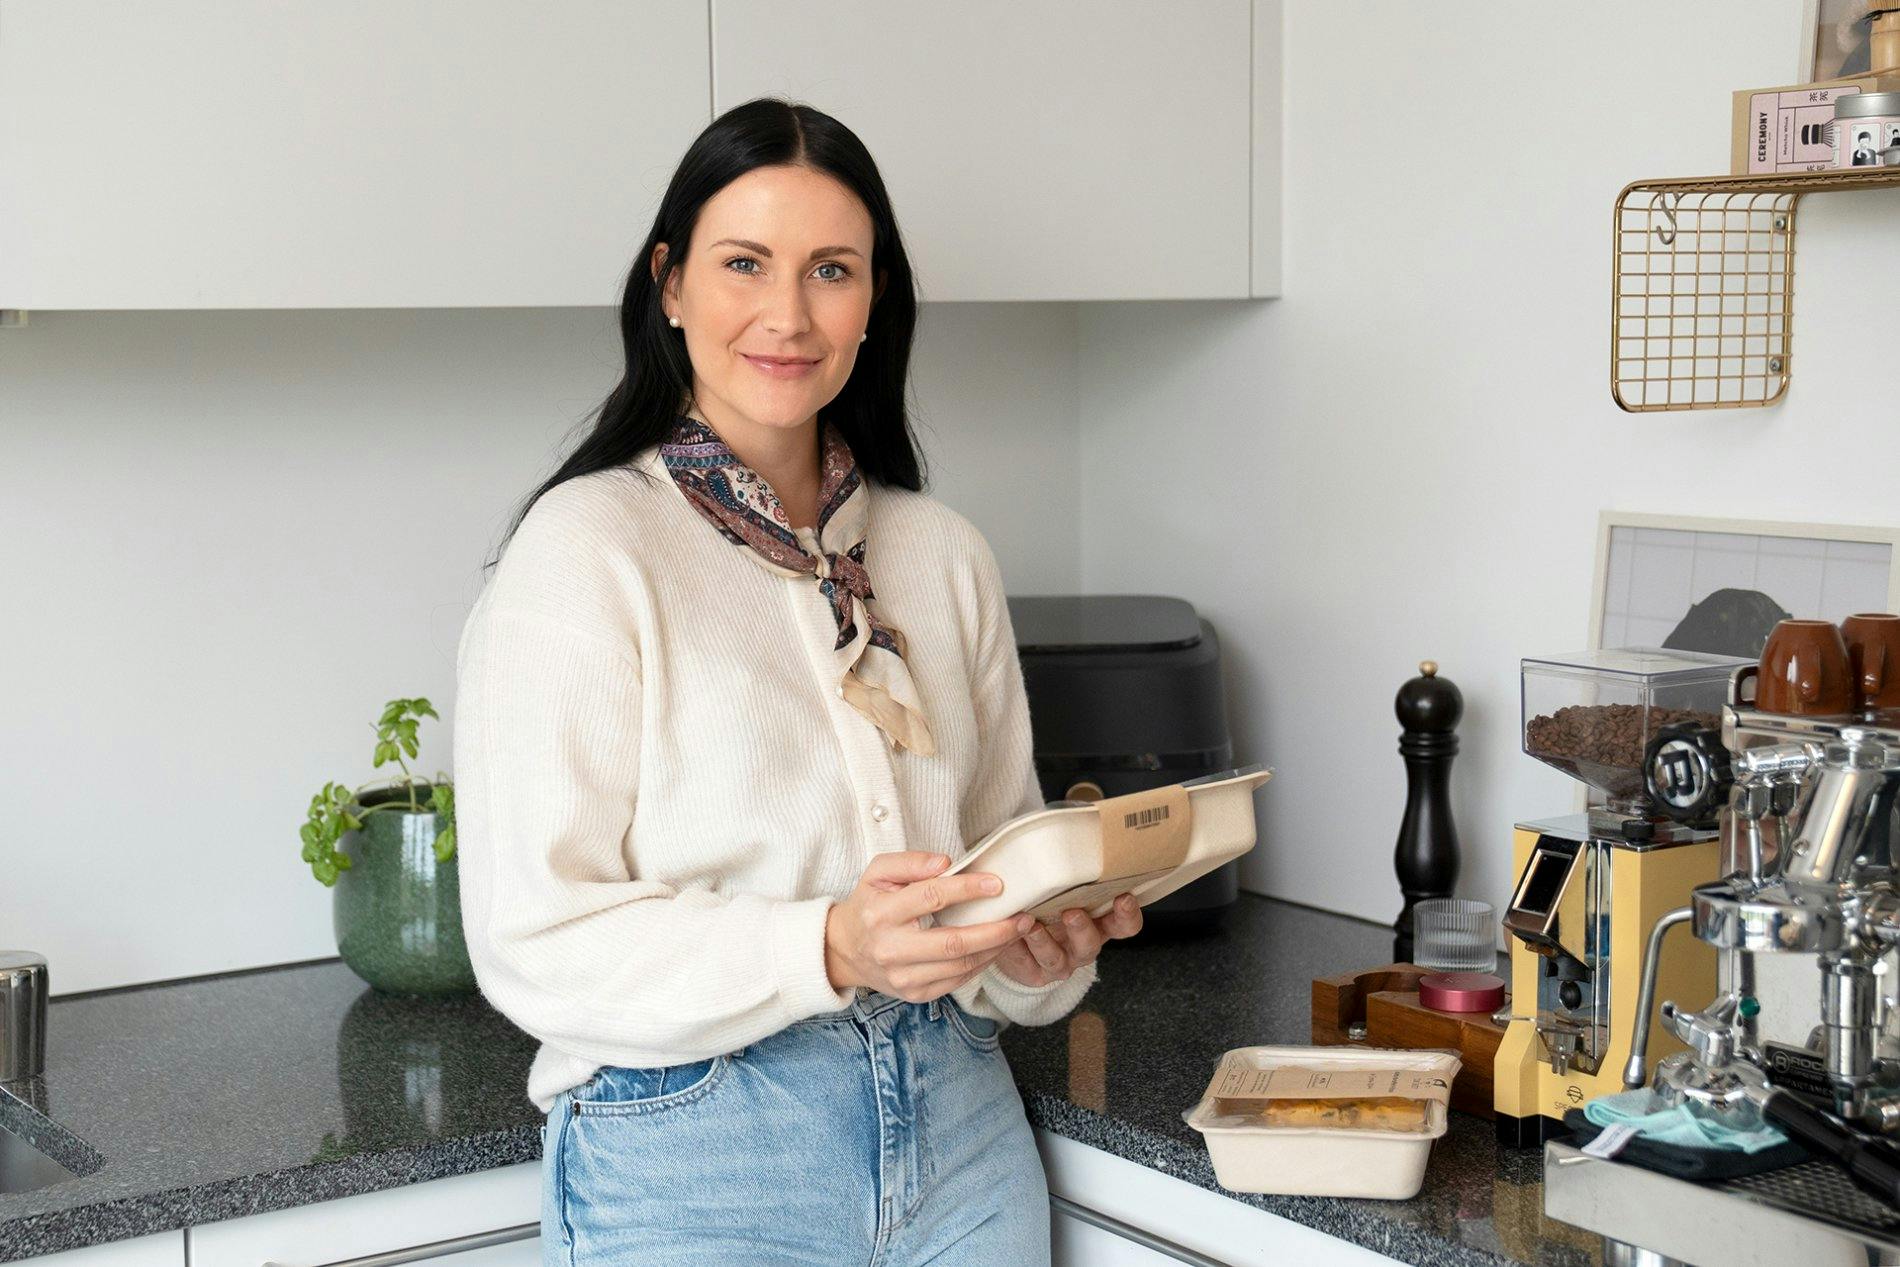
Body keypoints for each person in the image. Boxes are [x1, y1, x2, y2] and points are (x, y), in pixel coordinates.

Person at [452, 97, 1141, 1266]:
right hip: (695, 1159)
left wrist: (1031, 957)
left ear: (876, 298)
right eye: (743, 264)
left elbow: (991, 866)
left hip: (967, 1142)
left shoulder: (940, 552)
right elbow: (533, 937)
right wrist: (826, 946)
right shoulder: (587, 550)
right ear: (669, 284)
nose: (787, 313)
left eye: (831, 269)